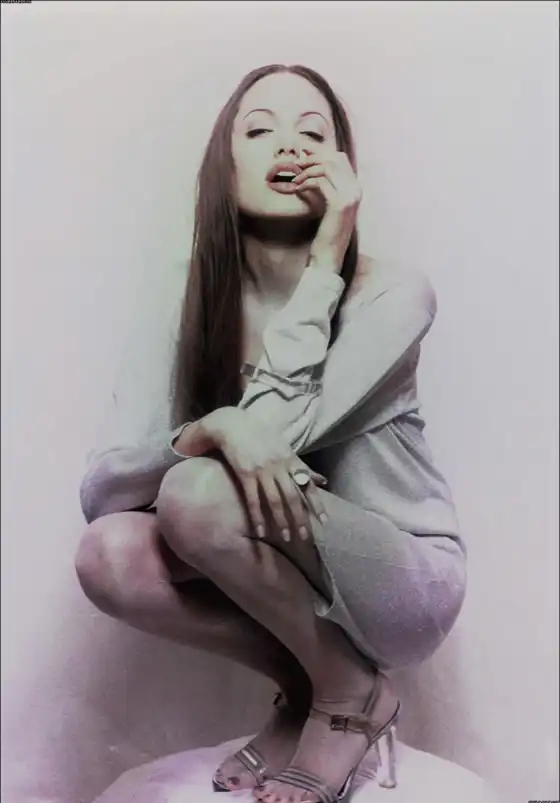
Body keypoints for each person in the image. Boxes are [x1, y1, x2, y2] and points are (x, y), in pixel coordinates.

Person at [75, 64, 467, 803]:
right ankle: (326, 684)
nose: (289, 146)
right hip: (292, 554)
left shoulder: (392, 294)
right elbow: (104, 489)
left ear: (345, 171)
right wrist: (211, 426)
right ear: (222, 168)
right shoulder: (184, 294)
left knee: (196, 492)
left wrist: (325, 261)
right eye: (259, 130)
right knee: (110, 554)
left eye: (313, 133)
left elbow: (274, 436)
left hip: (404, 577)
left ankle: (344, 699)